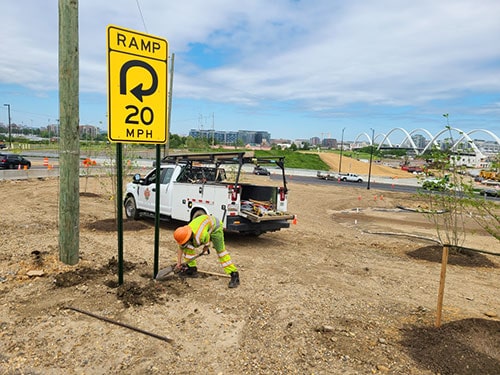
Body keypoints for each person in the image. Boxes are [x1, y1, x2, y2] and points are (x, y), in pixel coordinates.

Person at [173, 214, 240, 288]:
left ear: (188, 237)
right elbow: (181, 247)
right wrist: (178, 263)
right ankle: (192, 269)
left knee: (221, 253)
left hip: (215, 227)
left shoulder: (200, 235)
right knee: (187, 247)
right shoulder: (184, 233)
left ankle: (234, 275)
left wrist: (206, 247)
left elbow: (207, 240)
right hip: (205, 226)